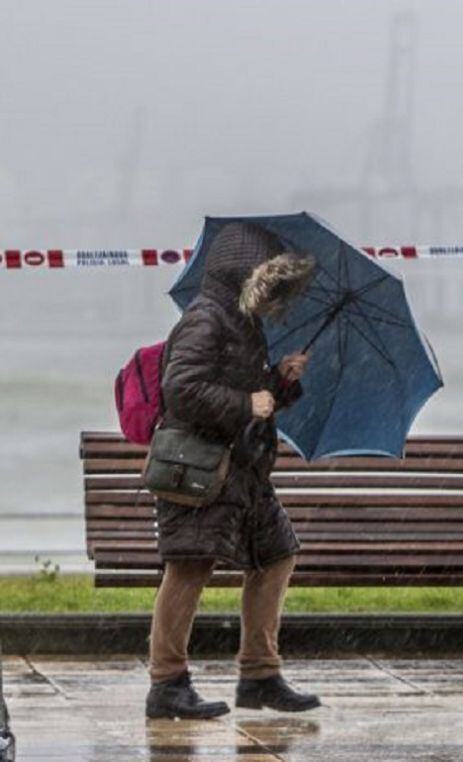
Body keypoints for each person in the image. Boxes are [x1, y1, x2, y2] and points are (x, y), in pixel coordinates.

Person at [145, 222, 320, 719]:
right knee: (189, 568)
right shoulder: (206, 319)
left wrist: (279, 383)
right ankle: (166, 684)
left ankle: (260, 675)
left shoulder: (241, 321)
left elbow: (244, 392)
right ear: (245, 276)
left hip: (242, 472)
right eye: (270, 286)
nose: (275, 299)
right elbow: (182, 389)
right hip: (199, 470)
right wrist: (248, 401)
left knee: (276, 556)